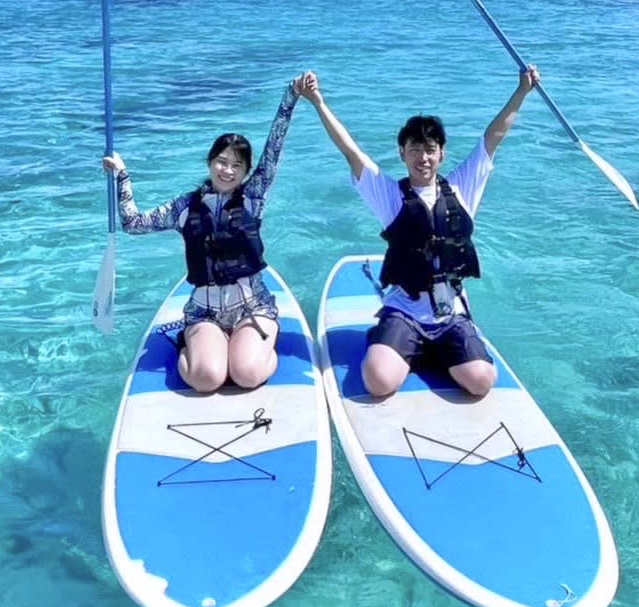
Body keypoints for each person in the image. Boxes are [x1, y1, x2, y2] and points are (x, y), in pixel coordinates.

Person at [296, 65, 541, 399]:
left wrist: (522, 91)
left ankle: (431, 353)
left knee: (482, 381)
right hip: (405, 312)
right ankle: (395, 345)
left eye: (430, 149)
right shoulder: (390, 196)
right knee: (378, 382)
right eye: (414, 149)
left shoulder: (463, 189)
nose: (423, 158)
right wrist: (318, 102)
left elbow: (493, 137)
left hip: (450, 314)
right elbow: (351, 151)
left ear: (441, 153)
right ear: (402, 153)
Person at [102, 74, 309, 393]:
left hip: (252, 307)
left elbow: (274, 148)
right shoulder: (184, 207)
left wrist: (291, 95)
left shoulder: (254, 197)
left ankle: (255, 347)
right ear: (210, 162)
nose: (228, 170)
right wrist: (122, 177)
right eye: (222, 162)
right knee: (207, 379)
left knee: (246, 374)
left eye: (237, 165)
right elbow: (133, 223)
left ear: (246, 172)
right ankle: (196, 346)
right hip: (204, 312)